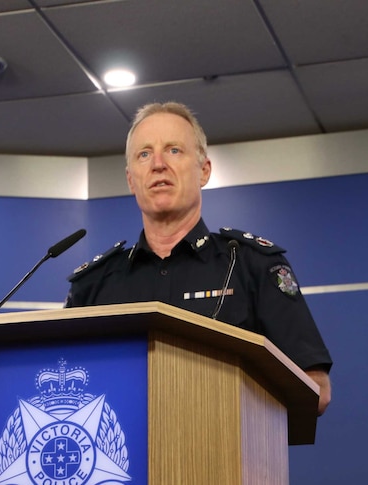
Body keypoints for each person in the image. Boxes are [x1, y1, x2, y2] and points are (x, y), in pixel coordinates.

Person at [64, 102, 332, 415]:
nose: (158, 164)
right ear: (131, 179)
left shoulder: (252, 265)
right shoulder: (93, 284)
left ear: (204, 171)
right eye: (144, 154)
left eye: (174, 150)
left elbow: (316, 389)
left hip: (228, 455)